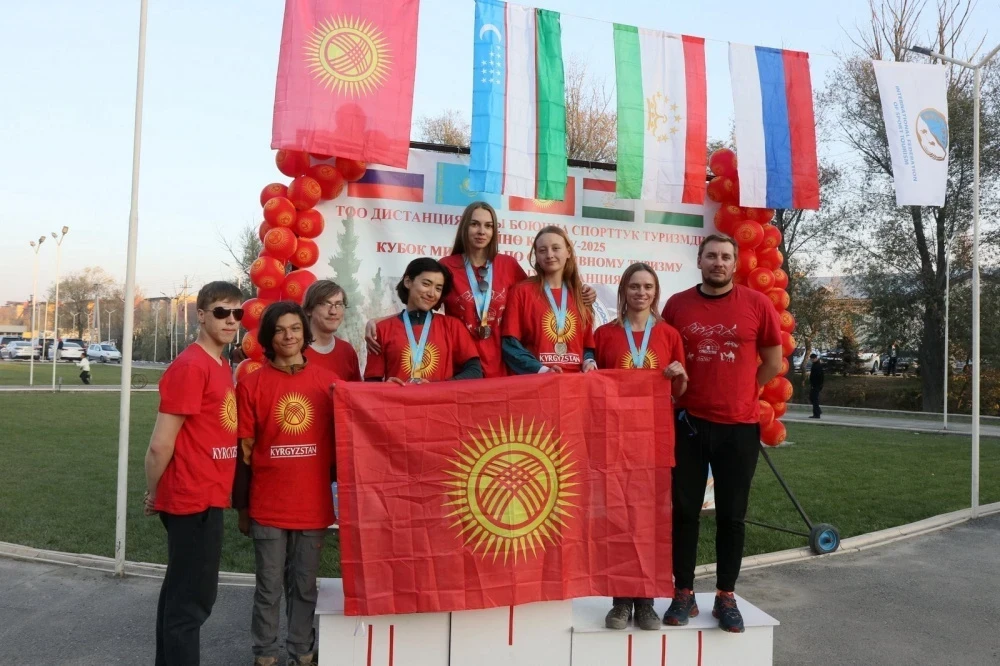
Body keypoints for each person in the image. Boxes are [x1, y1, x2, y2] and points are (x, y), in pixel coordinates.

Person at [661, 234, 782, 633]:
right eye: (711, 255)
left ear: (735, 263)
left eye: (726, 256)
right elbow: (665, 357)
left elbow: (772, 361)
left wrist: (745, 390)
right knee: (684, 512)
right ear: (699, 261)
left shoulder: (757, 304)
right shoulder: (677, 305)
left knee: (732, 515)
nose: (718, 262)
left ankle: (725, 595)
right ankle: (683, 592)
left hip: (739, 427)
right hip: (689, 423)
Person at [365, 201, 596, 377]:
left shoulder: (508, 265)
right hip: (463, 366)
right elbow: (423, 305)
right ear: (465, 228)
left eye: (488, 225)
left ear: (495, 231)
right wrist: (379, 321)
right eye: (475, 224)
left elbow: (541, 301)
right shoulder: (447, 266)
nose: (481, 231)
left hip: (503, 365)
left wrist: (582, 292)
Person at [143, 281, 244, 665]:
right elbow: (160, 444)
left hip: (207, 495)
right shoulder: (191, 366)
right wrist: (155, 492)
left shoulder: (220, 363)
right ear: (201, 315)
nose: (231, 320)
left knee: (180, 593)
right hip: (191, 498)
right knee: (192, 602)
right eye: (221, 312)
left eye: (237, 313)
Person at [233, 302, 338, 666]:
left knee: (304, 585)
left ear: (305, 333)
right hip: (268, 506)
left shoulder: (328, 383)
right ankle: (264, 654)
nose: (288, 336)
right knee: (268, 587)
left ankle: (302, 651)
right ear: (268, 337)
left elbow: (357, 425)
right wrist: (243, 508)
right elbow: (243, 452)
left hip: (312, 504)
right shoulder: (251, 385)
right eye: (279, 330)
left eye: (295, 328)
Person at [595, 262, 688, 631]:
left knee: (651, 520)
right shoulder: (604, 335)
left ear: (656, 292)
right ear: (623, 291)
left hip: (653, 438)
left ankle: (646, 601)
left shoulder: (669, 334)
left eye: (648, 287)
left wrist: (678, 376)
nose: (641, 293)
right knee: (618, 518)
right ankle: (620, 601)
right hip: (615, 439)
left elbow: (680, 392)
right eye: (634, 286)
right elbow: (595, 389)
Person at [365, 257, 483, 383]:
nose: (432, 293)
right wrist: (386, 387)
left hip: (440, 397)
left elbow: (475, 371)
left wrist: (436, 387)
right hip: (397, 397)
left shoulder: (452, 326)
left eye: (438, 288)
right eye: (426, 284)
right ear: (408, 282)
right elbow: (371, 382)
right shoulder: (380, 330)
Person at [502, 226, 598, 374]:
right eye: (542, 250)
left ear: (568, 252)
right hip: (538, 382)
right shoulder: (521, 292)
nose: (549, 255)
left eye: (555, 248)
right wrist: (541, 370)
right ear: (536, 256)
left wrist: (589, 361)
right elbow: (510, 345)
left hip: (575, 383)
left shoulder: (581, 295)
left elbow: (586, 346)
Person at [303, 280, 362, 381]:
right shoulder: (294, 349)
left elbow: (356, 390)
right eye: (325, 304)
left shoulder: (347, 351)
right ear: (309, 309)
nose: (333, 311)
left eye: (338, 304)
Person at [808, 353, 824, 419]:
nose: (811, 360)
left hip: (816, 385)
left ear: (815, 358)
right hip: (814, 385)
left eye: (812, 359)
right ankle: (818, 411)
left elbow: (820, 376)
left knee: (815, 399)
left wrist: (819, 385)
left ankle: (817, 414)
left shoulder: (818, 365)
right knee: (812, 398)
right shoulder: (815, 364)